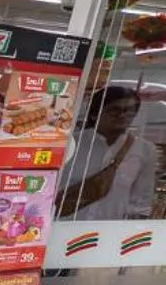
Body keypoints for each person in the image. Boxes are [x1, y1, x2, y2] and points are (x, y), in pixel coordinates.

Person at [59, 85, 158, 219]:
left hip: (107, 232)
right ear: (95, 114)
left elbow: (141, 202)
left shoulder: (145, 150)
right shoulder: (71, 143)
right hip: (64, 226)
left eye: (129, 111)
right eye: (114, 110)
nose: (122, 115)